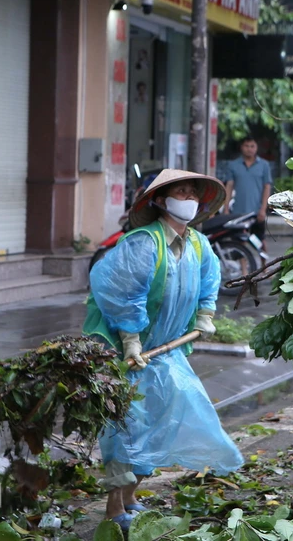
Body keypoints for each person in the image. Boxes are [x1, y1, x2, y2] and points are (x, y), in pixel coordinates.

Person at [83, 169, 244, 532]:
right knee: (126, 430)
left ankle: (130, 497)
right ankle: (113, 509)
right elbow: (124, 296)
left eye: (191, 193)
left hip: (166, 354)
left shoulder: (199, 245)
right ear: (159, 201)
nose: (187, 199)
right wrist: (131, 341)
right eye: (180, 192)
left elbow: (209, 283)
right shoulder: (144, 243)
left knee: (160, 422)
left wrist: (205, 315)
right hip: (129, 354)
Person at [223, 136, 272, 258]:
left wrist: (263, 209)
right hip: (239, 211)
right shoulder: (233, 165)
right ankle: (245, 272)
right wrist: (226, 208)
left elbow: (267, 187)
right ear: (241, 147)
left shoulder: (264, 165)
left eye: (252, 146)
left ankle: (263, 267)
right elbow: (229, 186)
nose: (249, 149)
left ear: (256, 148)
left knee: (260, 240)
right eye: (247, 146)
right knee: (240, 242)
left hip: (256, 210)